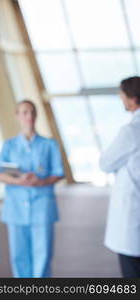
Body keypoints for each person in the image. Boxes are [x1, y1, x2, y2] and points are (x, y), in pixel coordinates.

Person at [0, 100, 64, 278]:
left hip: (42, 206)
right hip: (15, 207)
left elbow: (58, 173)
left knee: (43, 254)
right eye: (24, 112)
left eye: (32, 112)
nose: (29, 116)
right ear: (18, 116)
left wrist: (40, 182)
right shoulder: (9, 145)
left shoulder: (49, 144)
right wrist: (20, 181)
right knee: (19, 255)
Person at [99, 76, 140, 278]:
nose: (120, 98)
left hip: (133, 219)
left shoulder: (131, 130)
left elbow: (105, 163)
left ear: (131, 99)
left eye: (121, 95)